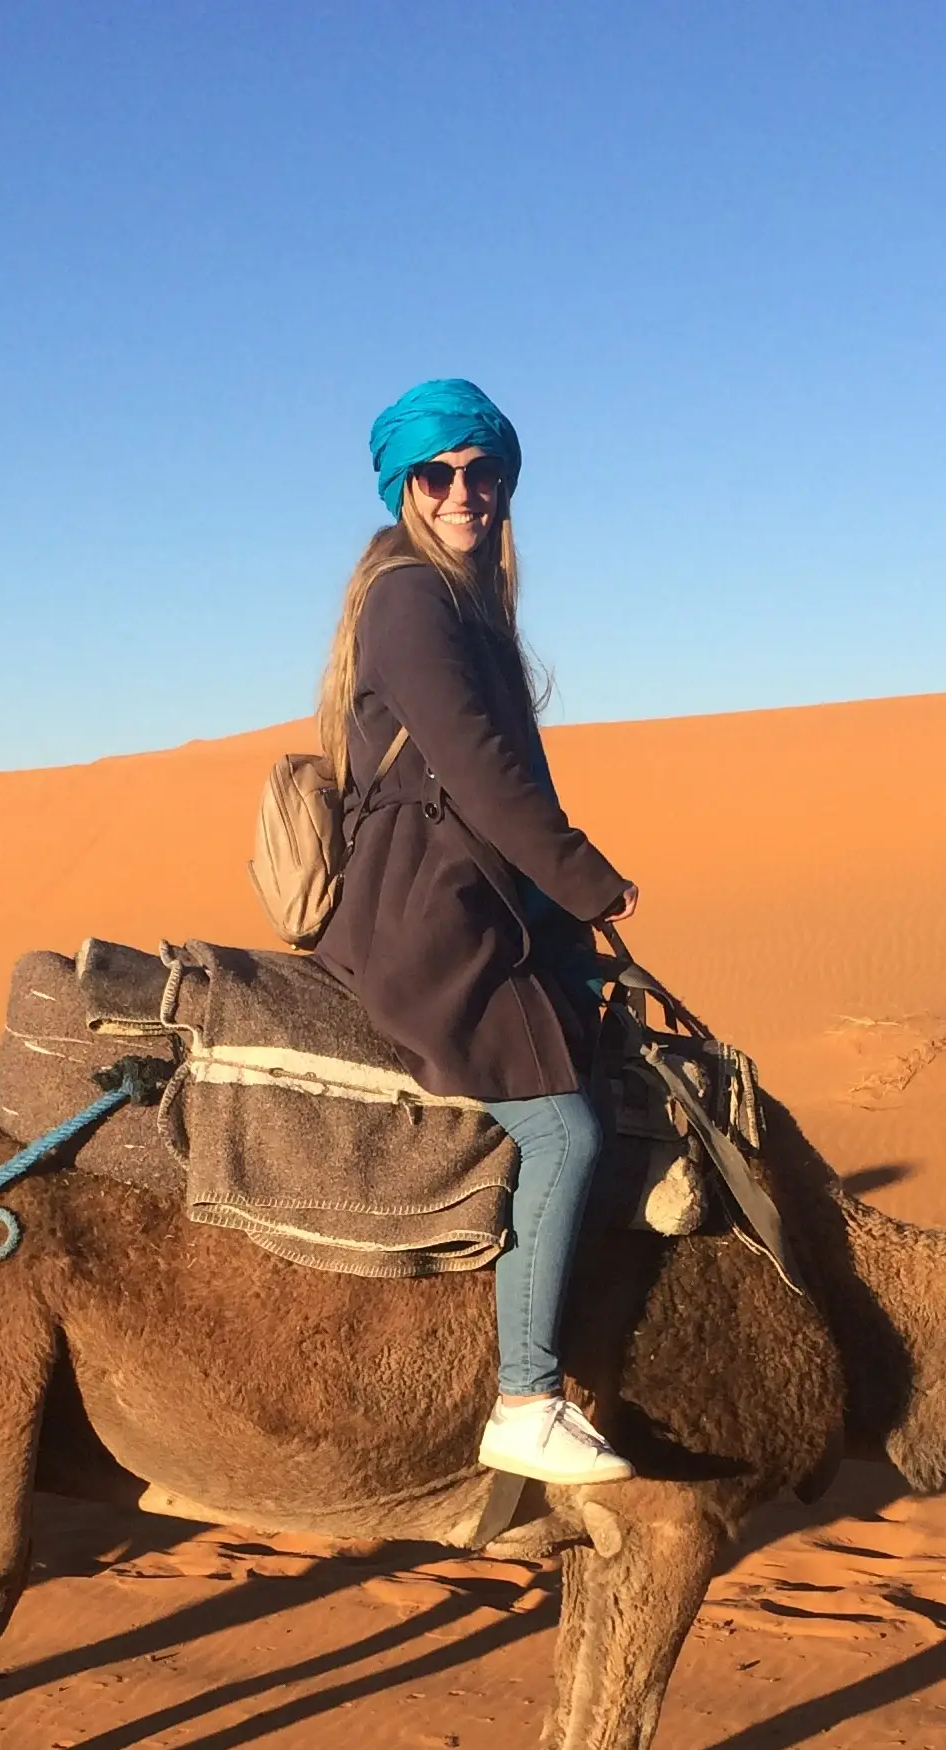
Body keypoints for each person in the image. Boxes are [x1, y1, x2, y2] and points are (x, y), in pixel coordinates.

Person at [314, 378, 638, 1487]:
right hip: (428, 926)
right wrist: (587, 880)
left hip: (470, 906)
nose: (464, 492)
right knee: (566, 1134)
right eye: (438, 473)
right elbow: (482, 771)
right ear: (404, 487)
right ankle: (527, 1400)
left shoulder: (464, 604)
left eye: (482, 470)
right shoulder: (413, 599)